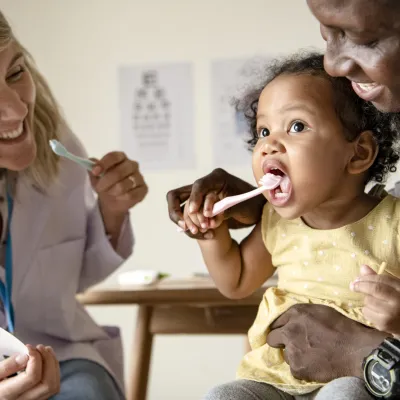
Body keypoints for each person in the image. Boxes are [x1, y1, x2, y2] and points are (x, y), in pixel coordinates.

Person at [167, 0, 400, 387]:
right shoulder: (281, 222)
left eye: (296, 127)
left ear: (357, 153)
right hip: (275, 378)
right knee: (222, 394)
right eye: (263, 132)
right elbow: (237, 280)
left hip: (359, 377)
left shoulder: (392, 222)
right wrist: (212, 234)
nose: (269, 146)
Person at [0, 10, 148, 400]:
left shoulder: (56, 147)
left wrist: (111, 210)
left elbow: (70, 275)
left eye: (15, 73)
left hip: (58, 349)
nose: (16, 110)